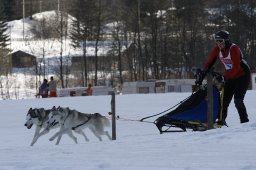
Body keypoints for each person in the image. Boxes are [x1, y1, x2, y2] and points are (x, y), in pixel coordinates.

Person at [197, 30, 251, 125]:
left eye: (220, 41)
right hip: (230, 76)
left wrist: (224, 78)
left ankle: (245, 123)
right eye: (216, 41)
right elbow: (209, 63)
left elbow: (236, 68)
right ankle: (221, 121)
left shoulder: (234, 49)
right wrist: (202, 75)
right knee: (224, 101)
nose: (218, 43)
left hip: (243, 75)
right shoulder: (216, 50)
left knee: (238, 100)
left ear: (226, 40)